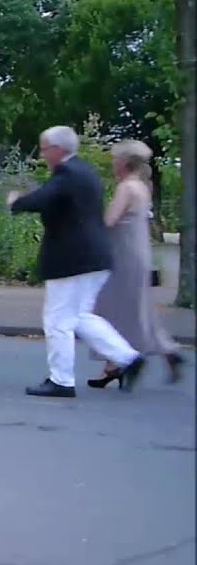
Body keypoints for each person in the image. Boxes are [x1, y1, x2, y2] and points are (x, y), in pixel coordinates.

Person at [7, 126, 146, 396]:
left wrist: (17, 201)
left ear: (58, 149)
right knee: (79, 316)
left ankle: (61, 380)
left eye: (45, 149)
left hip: (72, 258)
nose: (43, 155)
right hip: (94, 256)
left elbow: (43, 198)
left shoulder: (67, 174)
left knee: (58, 319)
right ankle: (128, 357)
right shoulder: (85, 171)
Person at [91, 140, 184, 385]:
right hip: (139, 252)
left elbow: (110, 221)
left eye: (114, 160)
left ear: (123, 162)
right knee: (136, 307)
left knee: (110, 308)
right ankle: (166, 349)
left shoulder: (126, 188)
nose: (113, 164)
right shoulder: (143, 187)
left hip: (123, 255)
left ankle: (118, 362)